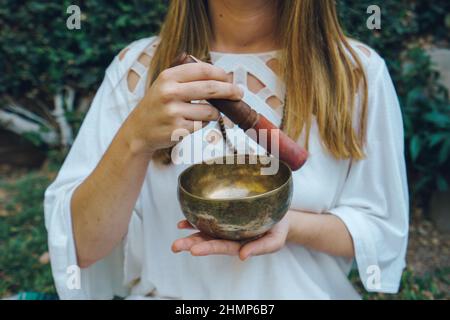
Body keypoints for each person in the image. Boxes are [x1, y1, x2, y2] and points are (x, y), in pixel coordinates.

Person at [44, 0, 409, 299]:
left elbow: (380, 229)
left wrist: (287, 224)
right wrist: (134, 140)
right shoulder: (138, 70)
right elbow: (84, 247)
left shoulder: (356, 73)